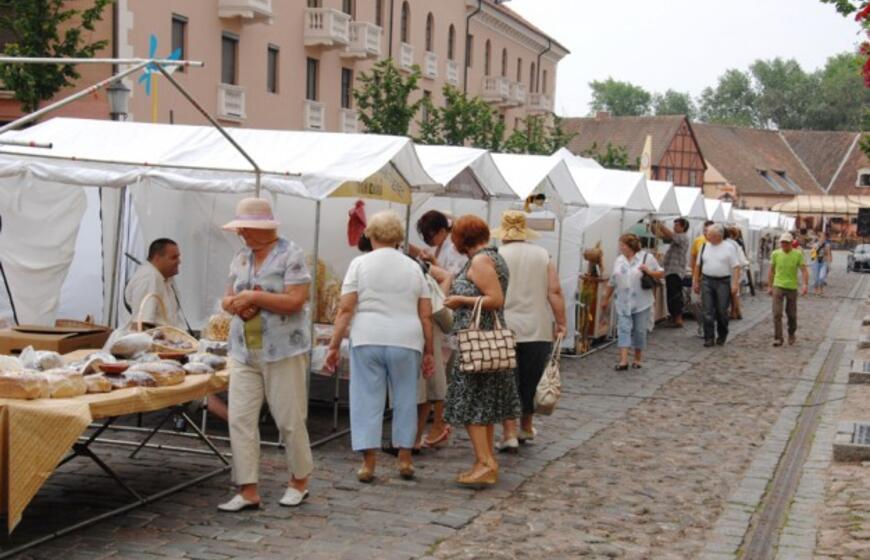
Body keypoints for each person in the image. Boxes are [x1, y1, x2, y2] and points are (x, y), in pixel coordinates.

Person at [217, 198, 315, 512]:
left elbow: (296, 301)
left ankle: (299, 481)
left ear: (262, 228)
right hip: (244, 350)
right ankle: (247, 489)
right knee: (240, 419)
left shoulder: (291, 254)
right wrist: (235, 305)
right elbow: (227, 297)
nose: (241, 233)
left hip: (283, 350)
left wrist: (254, 297)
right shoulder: (241, 256)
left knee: (289, 419)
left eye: (245, 228)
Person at [326, 211, 435, 483]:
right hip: (407, 338)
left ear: (371, 235)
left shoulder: (359, 264)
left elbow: (345, 309)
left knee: (366, 398)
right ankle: (405, 457)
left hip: (368, 336)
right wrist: (430, 351)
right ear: (398, 238)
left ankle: (368, 463)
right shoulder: (414, 267)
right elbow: (425, 314)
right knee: (406, 398)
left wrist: (333, 346)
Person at [443, 215, 520, 488]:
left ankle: (485, 463)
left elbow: (496, 299)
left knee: (470, 405)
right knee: (482, 406)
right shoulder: (492, 256)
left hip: (478, 344)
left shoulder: (480, 260)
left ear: (462, 238)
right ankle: (484, 462)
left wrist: (460, 300)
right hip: (485, 342)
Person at [495, 211, 567, 452]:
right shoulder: (542, 255)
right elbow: (554, 291)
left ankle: (509, 433)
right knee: (530, 380)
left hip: (505, 327)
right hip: (537, 327)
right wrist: (561, 321)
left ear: (503, 233)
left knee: (507, 381)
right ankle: (526, 426)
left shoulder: (496, 255)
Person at [410, 210, 466, 449]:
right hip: (442, 312)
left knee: (438, 373)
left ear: (442, 231)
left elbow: (452, 278)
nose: (428, 240)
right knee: (437, 373)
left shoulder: (453, 249)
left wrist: (433, 264)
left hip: (447, 312)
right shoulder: (443, 245)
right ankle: (437, 423)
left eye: (429, 236)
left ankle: (439, 423)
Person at [602, 233, 664, 370]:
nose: (620, 247)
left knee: (639, 331)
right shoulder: (619, 260)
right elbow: (613, 280)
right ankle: (623, 360)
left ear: (630, 246)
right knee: (623, 329)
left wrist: (649, 271)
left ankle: (637, 358)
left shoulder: (647, 258)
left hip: (642, 302)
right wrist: (606, 298)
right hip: (623, 302)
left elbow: (661, 273)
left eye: (622, 245)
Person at [693, 224, 741, 347]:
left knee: (721, 311)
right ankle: (709, 337)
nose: (706, 236)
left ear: (718, 236)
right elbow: (698, 265)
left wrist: (735, 284)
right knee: (707, 310)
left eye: (709, 234)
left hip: (723, 282)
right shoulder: (704, 246)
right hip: (707, 280)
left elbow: (736, 267)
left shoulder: (729, 247)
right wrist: (695, 281)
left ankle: (722, 334)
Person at [125, 238, 184, 328]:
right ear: (157, 259)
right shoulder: (149, 277)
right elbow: (140, 324)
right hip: (153, 336)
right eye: (174, 257)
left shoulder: (165, 278)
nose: (179, 262)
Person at [768, 232, 809, 346]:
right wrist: (770, 286)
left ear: (791, 243)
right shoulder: (775, 254)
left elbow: (804, 270)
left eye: (786, 243)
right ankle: (778, 338)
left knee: (791, 314)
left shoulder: (797, 254)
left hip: (792, 287)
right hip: (778, 285)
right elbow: (771, 271)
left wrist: (805, 284)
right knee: (777, 313)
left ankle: (791, 333)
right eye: (782, 242)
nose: (784, 245)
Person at [654, 218, 690, 328]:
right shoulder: (677, 237)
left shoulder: (682, 237)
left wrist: (659, 224)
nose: (674, 227)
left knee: (675, 295)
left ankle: (678, 319)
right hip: (671, 270)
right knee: (672, 295)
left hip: (676, 271)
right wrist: (653, 226)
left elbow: (670, 234)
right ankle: (675, 318)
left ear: (683, 227)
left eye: (676, 225)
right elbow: (662, 236)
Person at [725, 226, 750, 321]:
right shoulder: (735, 243)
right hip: (736, 269)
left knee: (734, 292)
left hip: (732, 270)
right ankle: (737, 312)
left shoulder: (730, 243)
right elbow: (742, 260)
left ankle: (735, 312)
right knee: (735, 293)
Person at [809, 232, 832, 296]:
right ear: (818, 238)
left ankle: (821, 289)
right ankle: (816, 290)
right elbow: (812, 255)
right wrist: (814, 250)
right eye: (821, 237)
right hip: (816, 262)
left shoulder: (827, 245)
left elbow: (828, 254)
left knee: (822, 277)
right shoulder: (815, 245)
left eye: (824, 237)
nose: (823, 239)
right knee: (816, 279)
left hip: (823, 262)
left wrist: (829, 264)